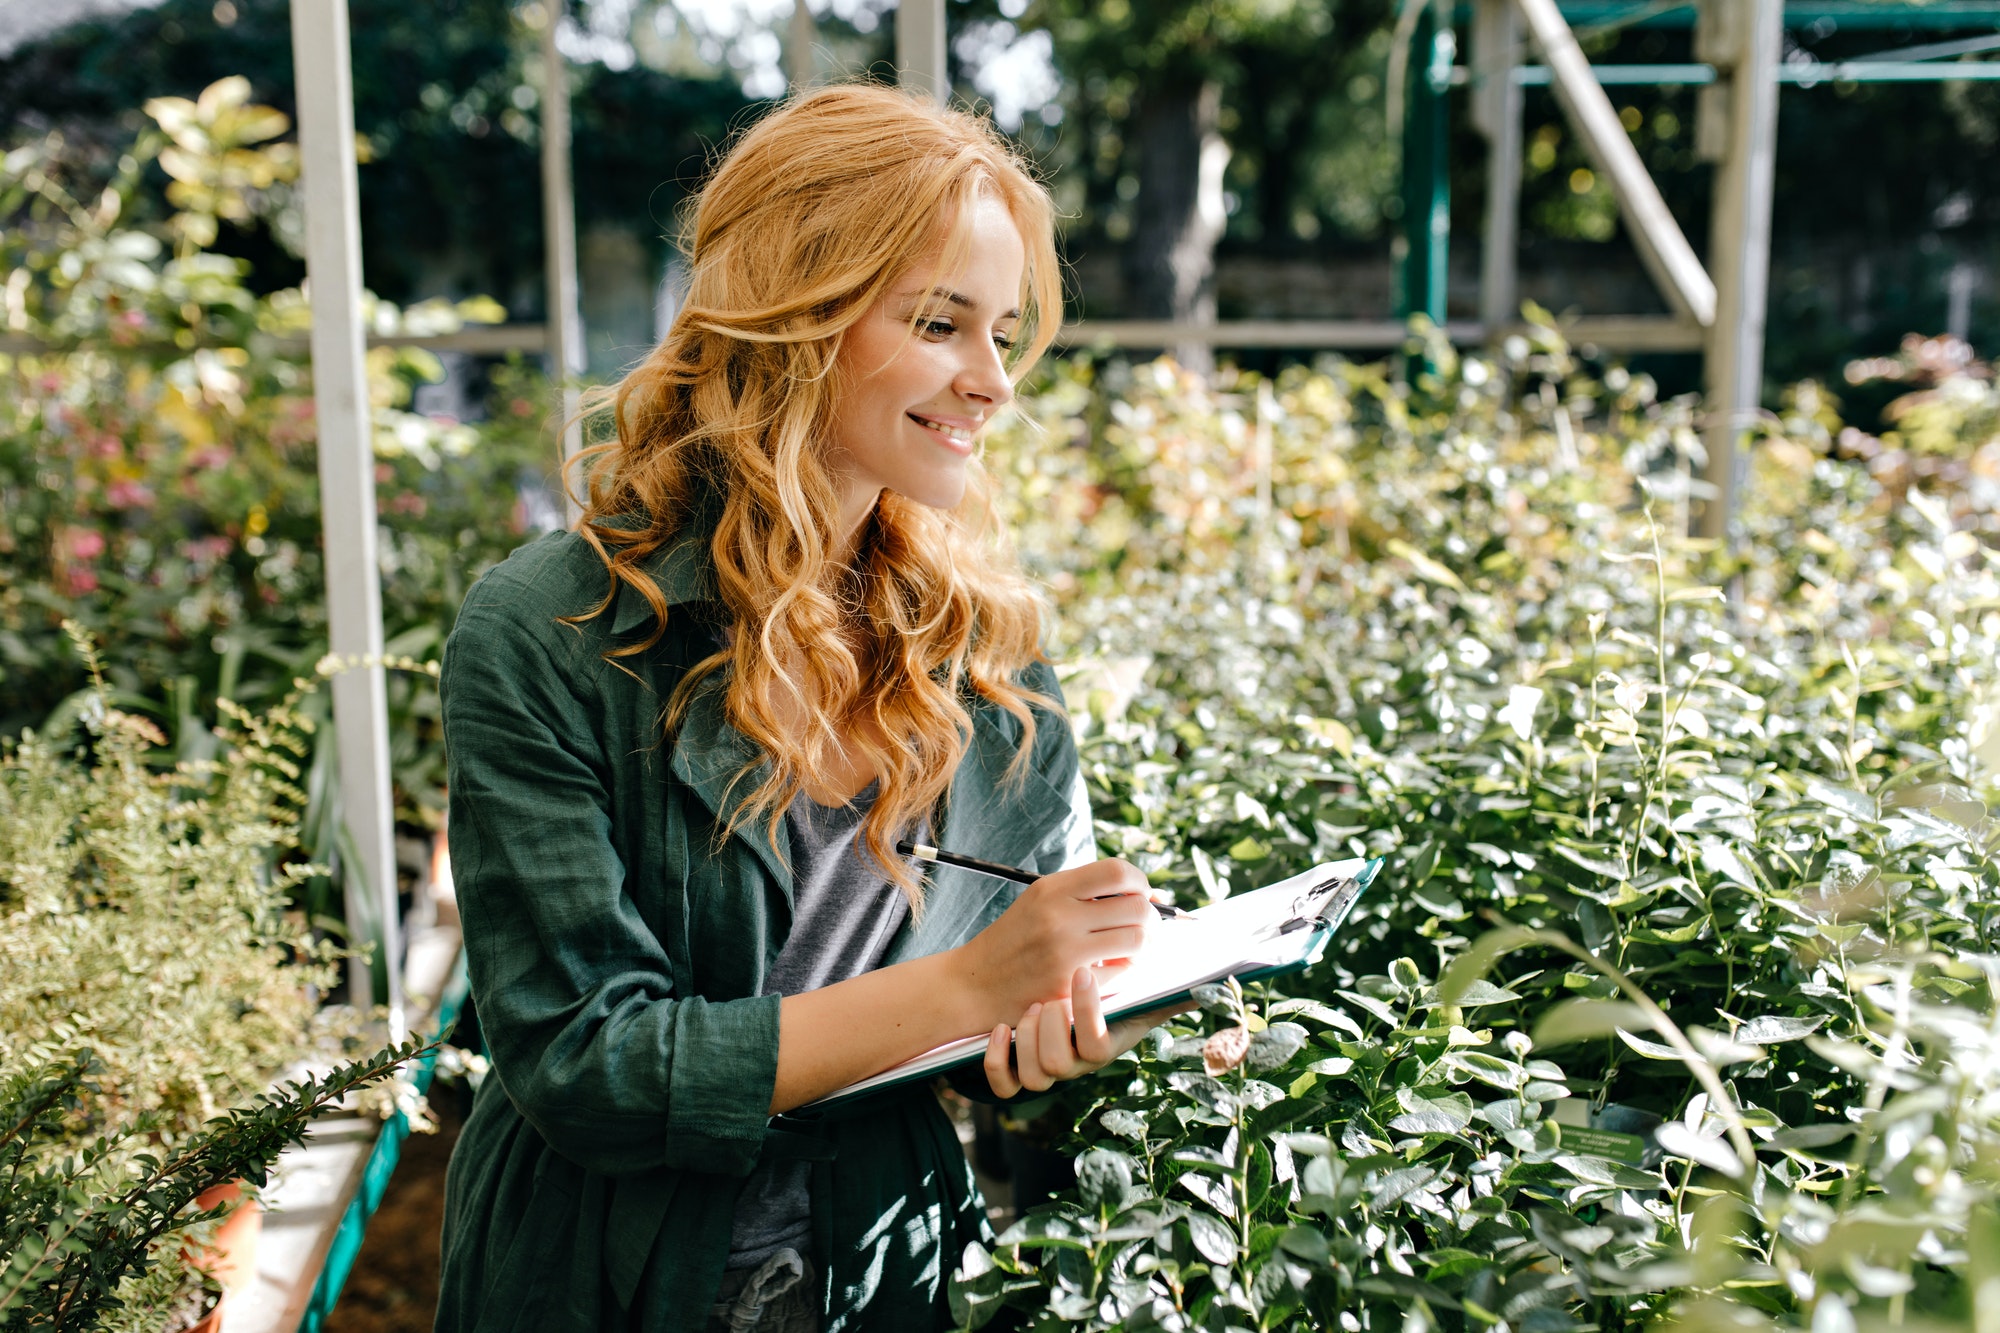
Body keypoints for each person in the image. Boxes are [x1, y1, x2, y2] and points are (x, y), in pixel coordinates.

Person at [434, 84, 1179, 1333]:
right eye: (942, 323)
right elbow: (586, 1062)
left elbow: (1038, 959)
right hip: (601, 1283)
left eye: (1003, 333)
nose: (990, 382)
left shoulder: (984, 645)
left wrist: (1066, 1021)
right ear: (794, 317)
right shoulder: (550, 630)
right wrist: (967, 989)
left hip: (875, 1267)